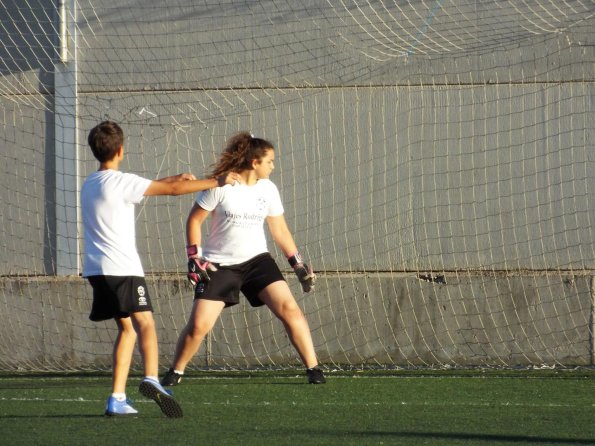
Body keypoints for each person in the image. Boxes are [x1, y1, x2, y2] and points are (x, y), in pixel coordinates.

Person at [81, 120, 241, 417]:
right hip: (122, 269)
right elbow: (172, 191)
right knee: (146, 325)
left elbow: (158, 185)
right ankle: (152, 379)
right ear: (121, 149)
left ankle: (116, 398)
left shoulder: (92, 182)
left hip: (96, 270)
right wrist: (217, 181)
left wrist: (176, 177)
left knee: (127, 329)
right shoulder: (121, 182)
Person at [161, 131, 326, 386]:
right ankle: (176, 372)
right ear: (254, 163)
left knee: (291, 310)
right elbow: (194, 219)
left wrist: (298, 265)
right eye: (270, 161)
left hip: (258, 262)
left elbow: (280, 231)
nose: (274, 166)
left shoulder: (269, 189)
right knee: (198, 327)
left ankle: (314, 369)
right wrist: (194, 257)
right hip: (220, 265)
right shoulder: (221, 185)